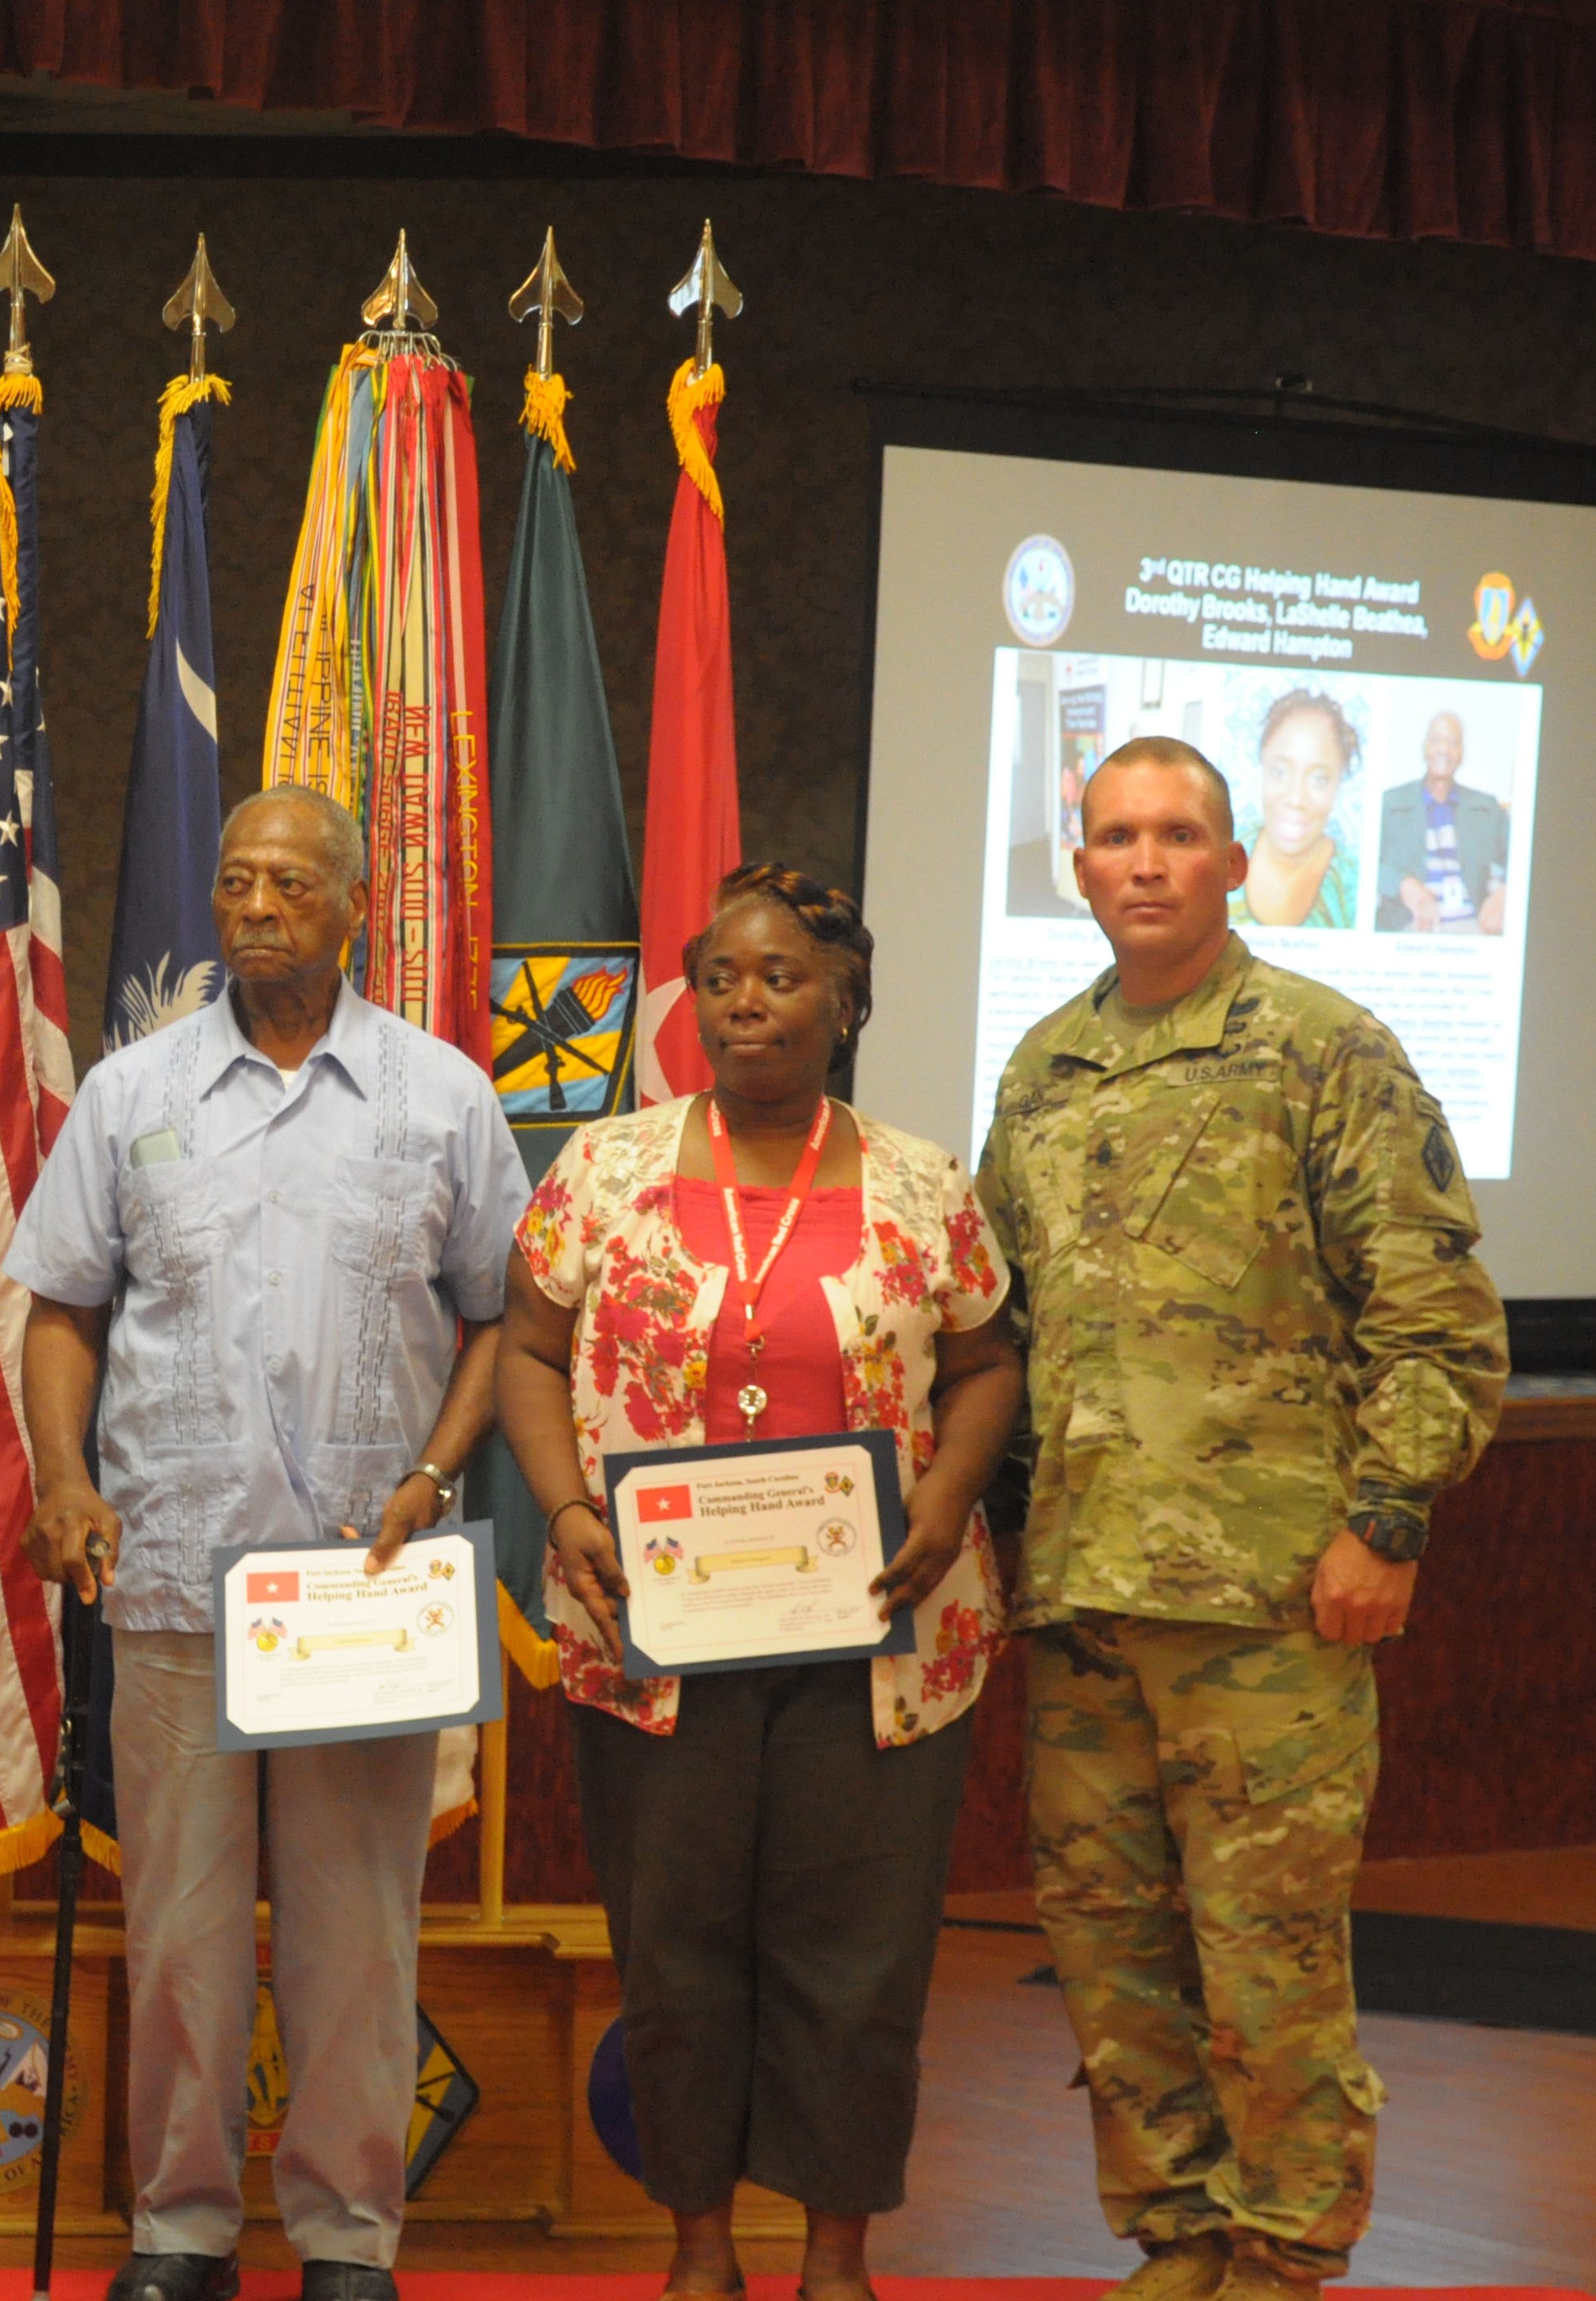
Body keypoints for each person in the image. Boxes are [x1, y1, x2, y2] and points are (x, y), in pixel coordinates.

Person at [981, 738, 1508, 2301]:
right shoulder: (1039, 1068)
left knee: (1265, 1948)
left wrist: (1386, 1521)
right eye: (1113, 836)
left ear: (1229, 860)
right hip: (1081, 1591)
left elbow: (1437, 1321)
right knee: (1107, 1944)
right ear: (1076, 865)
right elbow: (1009, 1334)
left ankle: (1285, 2247)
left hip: (1269, 1600)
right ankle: (1177, 2231)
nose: (1143, 861)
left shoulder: (1320, 1047)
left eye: (1177, 835)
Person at [7, 784, 531, 2301]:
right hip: (173, 1575)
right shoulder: (131, 1092)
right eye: (233, 880)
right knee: (176, 1929)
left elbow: (504, 1314)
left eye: (288, 882)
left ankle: (345, 2236)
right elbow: (62, 1307)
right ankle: (179, 2226)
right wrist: (62, 1479)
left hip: (364, 1592)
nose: (251, 905)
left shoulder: (439, 1094)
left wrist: (437, 1473)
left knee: (352, 1933)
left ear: (353, 904)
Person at [498, 864, 1024, 2301]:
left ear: (845, 1000)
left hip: (880, 1638)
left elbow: (984, 1366)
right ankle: (699, 2248)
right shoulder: (600, 1171)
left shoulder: (921, 1182)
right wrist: (560, 1505)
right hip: (652, 1639)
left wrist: (945, 1492)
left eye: (783, 975)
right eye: (721, 973)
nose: (746, 999)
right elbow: (528, 1351)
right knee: (676, 1949)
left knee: (853, 1956)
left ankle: (836, 2255)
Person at [1229, 691, 1364, 931]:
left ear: (1338, 784)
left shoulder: (1356, 882)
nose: (1295, 798)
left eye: (1319, 779)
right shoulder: (1222, 856)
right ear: (1263, 768)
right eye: (1279, 772)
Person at [1373, 711, 1511, 934]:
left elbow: (1524, 857)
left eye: (1453, 743)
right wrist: (1401, 883)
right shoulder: (1390, 803)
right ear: (1424, 748)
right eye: (1436, 740)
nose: (1444, 750)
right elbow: (1361, 862)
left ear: (1462, 754)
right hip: (1407, 929)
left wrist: (1506, 893)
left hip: (1472, 929)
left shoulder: (1486, 808)